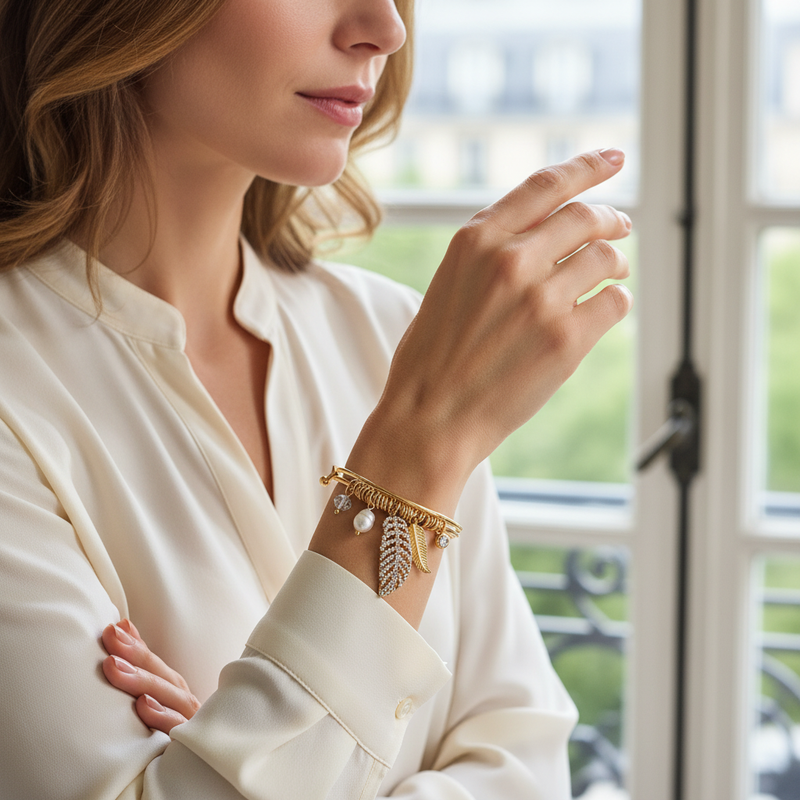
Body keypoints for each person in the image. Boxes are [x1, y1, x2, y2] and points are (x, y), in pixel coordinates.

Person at [0, 0, 633, 798]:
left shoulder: (390, 333)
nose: (385, 27)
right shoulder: (16, 387)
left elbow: (528, 763)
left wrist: (230, 759)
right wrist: (412, 456)